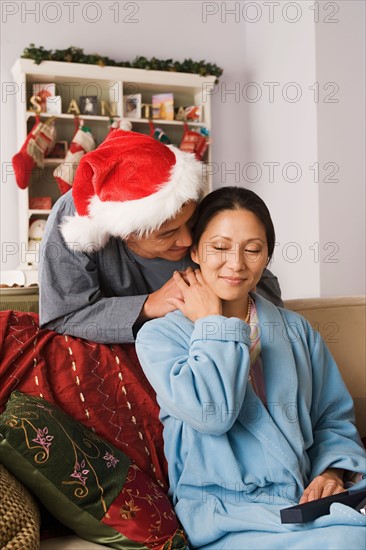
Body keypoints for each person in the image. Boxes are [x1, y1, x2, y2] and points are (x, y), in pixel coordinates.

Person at [136, 186, 366, 549]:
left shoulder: (295, 330)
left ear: (267, 256)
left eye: (253, 249)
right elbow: (212, 415)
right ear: (195, 250)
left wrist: (331, 472)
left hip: (304, 500)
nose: (237, 263)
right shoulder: (160, 337)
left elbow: (332, 418)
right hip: (224, 512)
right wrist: (214, 325)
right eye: (220, 247)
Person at [39, 131, 282, 343]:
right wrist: (148, 305)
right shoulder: (72, 221)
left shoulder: (188, 197)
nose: (188, 240)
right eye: (168, 233)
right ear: (125, 234)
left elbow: (257, 279)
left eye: (191, 221)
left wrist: (216, 309)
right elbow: (63, 316)